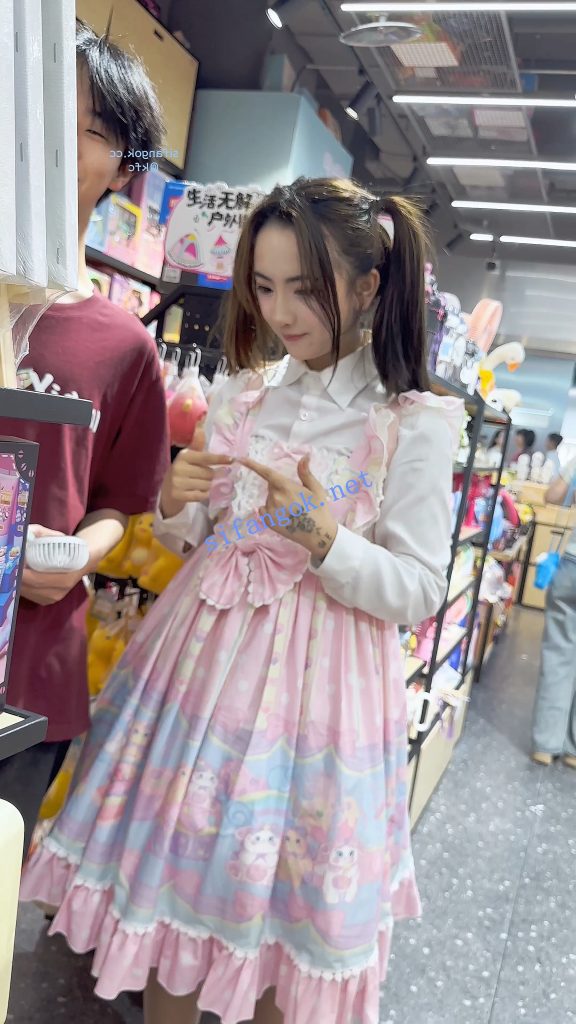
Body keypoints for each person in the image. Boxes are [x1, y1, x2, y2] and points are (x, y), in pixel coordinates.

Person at [21, 179, 464, 1024]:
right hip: (197, 677)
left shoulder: (413, 421)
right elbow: (199, 537)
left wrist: (327, 541)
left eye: (305, 288)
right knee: (176, 896)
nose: (280, 312)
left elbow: (419, 587)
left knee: (282, 923)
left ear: (368, 285)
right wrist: (178, 498)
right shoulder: (245, 394)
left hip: (320, 703)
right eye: (264, 286)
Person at [0, 19, 170, 857]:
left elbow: (117, 504)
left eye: (88, 129)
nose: (56, 145)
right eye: (38, 117)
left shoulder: (123, 346)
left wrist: (75, 556)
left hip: (33, 668)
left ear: (124, 165)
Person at [531, 454, 576, 769]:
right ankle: (573, 750)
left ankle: (545, 745)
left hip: (572, 565)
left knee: (559, 652)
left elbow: (553, 495)